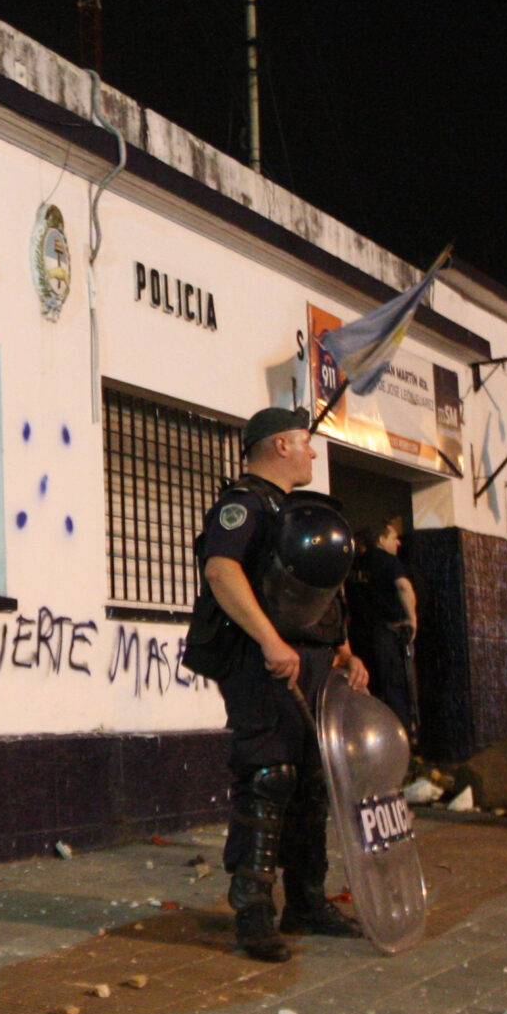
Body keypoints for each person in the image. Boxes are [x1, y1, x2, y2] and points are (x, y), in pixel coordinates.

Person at [183, 406, 371, 962]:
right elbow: (221, 571)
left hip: (308, 659)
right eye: (305, 442)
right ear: (280, 446)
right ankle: (254, 909)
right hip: (259, 660)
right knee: (270, 775)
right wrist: (268, 640)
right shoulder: (244, 505)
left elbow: (314, 588)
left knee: (311, 779)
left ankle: (307, 901)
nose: (312, 452)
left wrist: (342, 649)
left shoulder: (294, 510)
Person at [347, 516, 420, 737]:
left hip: (359, 636)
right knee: (394, 687)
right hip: (386, 635)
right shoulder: (389, 561)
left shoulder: (355, 564)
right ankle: (400, 738)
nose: (398, 542)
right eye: (393, 538)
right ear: (381, 539)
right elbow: (404, 587)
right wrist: (412, 619)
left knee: (368, 688)